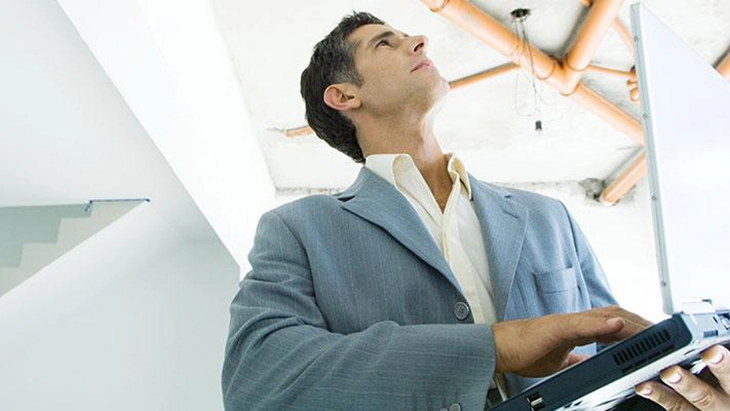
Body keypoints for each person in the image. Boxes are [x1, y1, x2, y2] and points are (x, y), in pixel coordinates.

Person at [221, 11, 728, 410]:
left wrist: (693, 376)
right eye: (385, 42)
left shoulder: (548, 217)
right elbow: (258, 380)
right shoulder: (298, 229)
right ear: (344, 95)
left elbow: (617, 362)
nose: (419, 40)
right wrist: (497, 347)